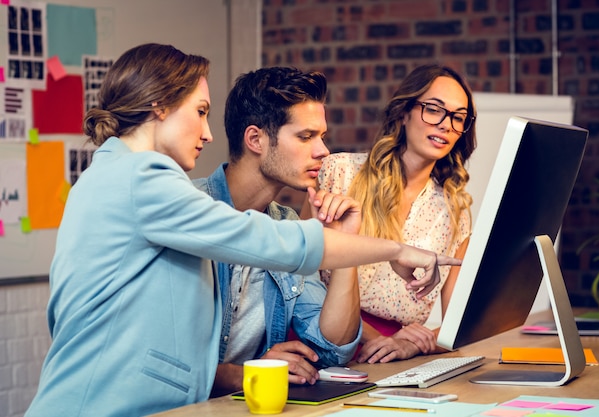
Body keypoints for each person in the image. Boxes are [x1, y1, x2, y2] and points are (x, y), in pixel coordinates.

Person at [24, 44, 460, 417]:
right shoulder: (143, 177)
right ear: (159, 106)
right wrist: (392, 250)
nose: (209, 133)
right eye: (199, 111)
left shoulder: (121, 175)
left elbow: (332, 348)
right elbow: (256, 240)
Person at [192, 67, 364, 397]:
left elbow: (332, 349)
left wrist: (345, 242)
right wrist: (246, 373)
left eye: (322, 137)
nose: (323, 151)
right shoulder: (189, 211)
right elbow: (159, 356)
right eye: (305, 137)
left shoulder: (286, 227)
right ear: (255, 139)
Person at [304, 64, 477, 364]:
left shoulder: (455, 210)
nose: (446, 124)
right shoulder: (339, 173)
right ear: (404, 112)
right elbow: (300, 281)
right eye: (434, 110)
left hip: (393, 358)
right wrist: (381, 339)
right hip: (318, 342)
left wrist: (416, 344)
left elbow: (458, 327)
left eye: (458, 117)